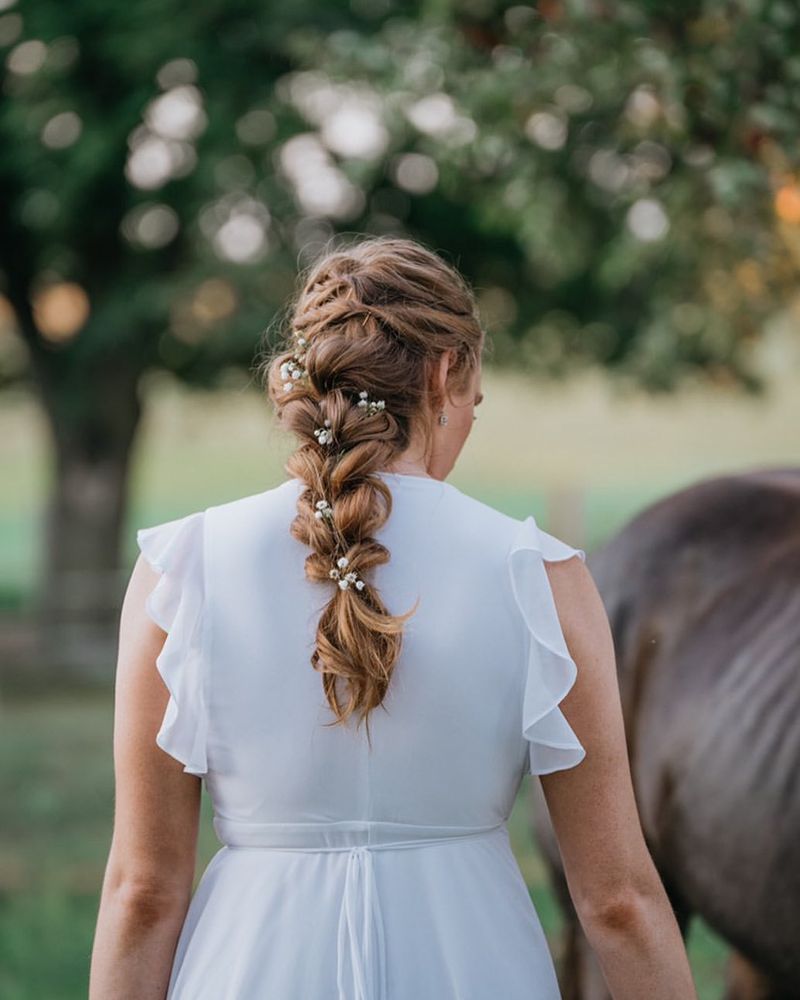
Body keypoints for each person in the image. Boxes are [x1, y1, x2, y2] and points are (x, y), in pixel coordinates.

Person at [89, 235, 696, 999]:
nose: (472, 416)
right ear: (448, 371)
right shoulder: (539, 578)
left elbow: (142, 892)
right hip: (477, 969)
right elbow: (617, 901)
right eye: (476, 396)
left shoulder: (181, 572)